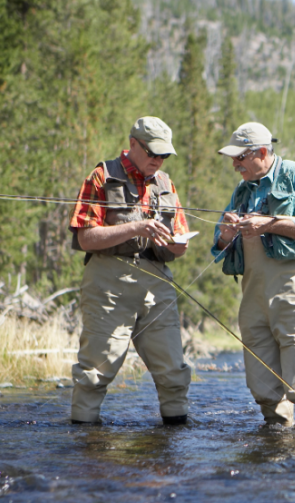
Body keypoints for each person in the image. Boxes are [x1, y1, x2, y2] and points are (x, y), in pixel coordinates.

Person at [68, 116, 193, 425]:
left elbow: (181, 245)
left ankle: (175, 452)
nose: (159, 161)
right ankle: (84, 450)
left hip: (157, 282)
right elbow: (85, 237)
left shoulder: (165, 183)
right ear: (133, 144)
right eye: (153, 153)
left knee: (174, 373)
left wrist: (176, 243)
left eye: (164, 155)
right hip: (109, 281)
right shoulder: (102, 176)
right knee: (95, 374)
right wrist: (137, 227)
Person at [212, 122, 295, 429]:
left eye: (240, 157)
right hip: (254, 298)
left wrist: (269, 224)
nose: (235, 164)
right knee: (263, 387)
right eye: (233, 158)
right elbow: (219, 247)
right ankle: (274, 456)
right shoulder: (241, 191)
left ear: (262, 152)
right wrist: (225, 235)